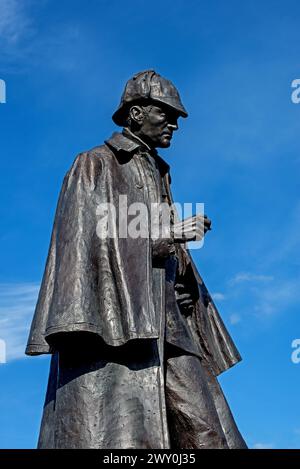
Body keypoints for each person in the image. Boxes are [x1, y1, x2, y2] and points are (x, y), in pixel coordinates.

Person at [26, 70, 247, 449]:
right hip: (119, 325)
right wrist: (170, 235)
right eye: (167, 113)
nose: (175, 124)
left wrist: (183, 286)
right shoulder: (95, 164)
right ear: (136, 113)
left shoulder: (158, 171)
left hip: (171, 323)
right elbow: (88, 240)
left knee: (208, 432)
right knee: (123, 437)